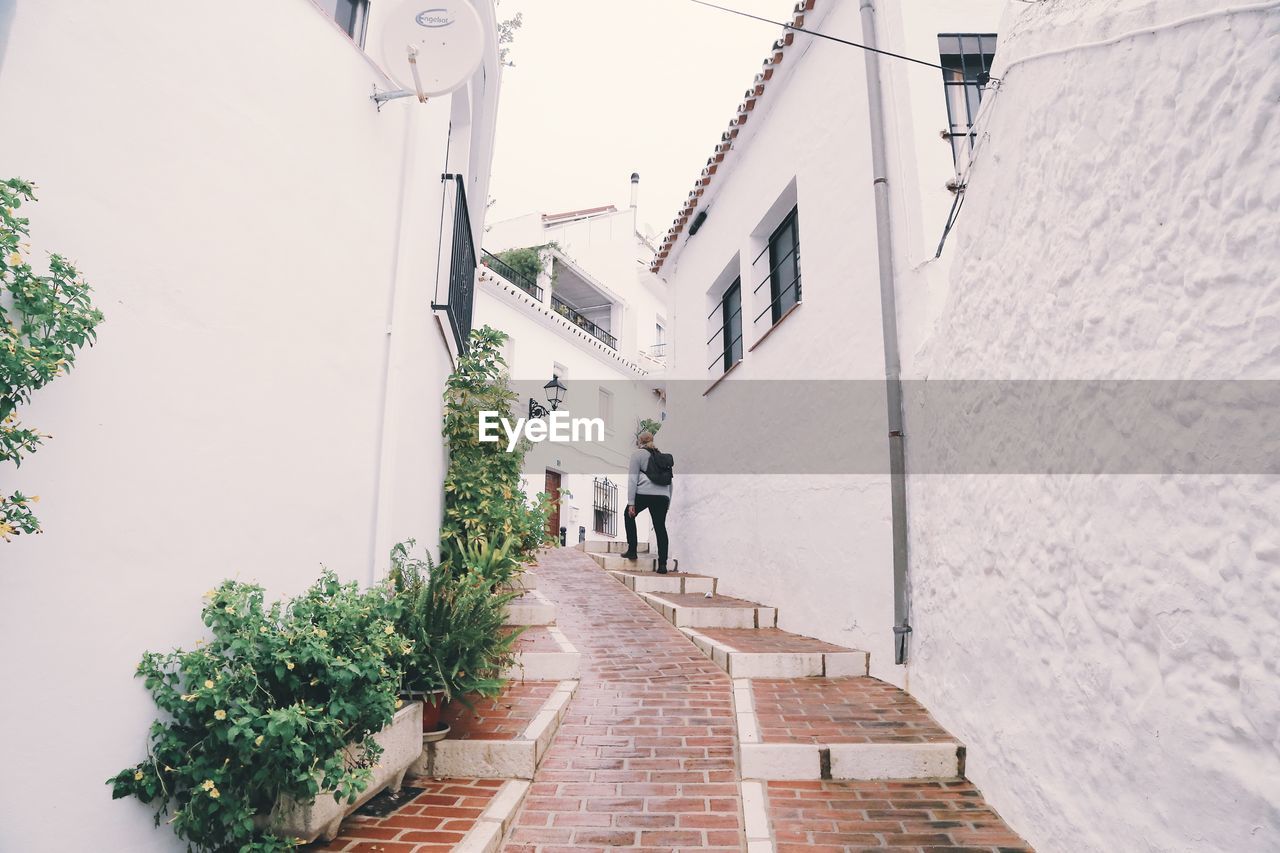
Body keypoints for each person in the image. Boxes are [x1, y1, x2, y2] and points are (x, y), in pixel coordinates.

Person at [620, 431, 672, 572]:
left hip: (644, 493)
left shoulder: (637, 455)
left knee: (628, 515)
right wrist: (668, 501)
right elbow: (669, 482)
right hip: (662, 496)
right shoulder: (661, 456)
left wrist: (631, 502)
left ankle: (632, 550)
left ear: (639, 442)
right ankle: (662, 565)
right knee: (660, 527)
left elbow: (633, 479)